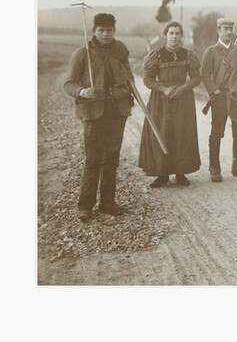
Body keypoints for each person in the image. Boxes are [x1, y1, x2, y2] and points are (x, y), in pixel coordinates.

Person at [63, 12, 134, 222]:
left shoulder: (120, 52)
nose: (105, 34)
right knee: (93, 160)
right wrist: (83, 92)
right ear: (94, 31)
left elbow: (129, 79)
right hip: (93, 114)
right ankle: (85, 206)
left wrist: (123, 90)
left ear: (114, 31)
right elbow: (69, 84)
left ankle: (107, 203)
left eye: (109, 30)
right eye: (101, 30)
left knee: (111, 159)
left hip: (116, 112)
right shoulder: (81, 54)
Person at [138, 21, 201, 188]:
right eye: (171, 33)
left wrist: (184, 87)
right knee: (162, 133)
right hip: (161, 101)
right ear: (165, 35)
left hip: (183, 100)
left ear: (181, 36)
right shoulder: (156, 55)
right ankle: (162, 174)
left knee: (181, 134)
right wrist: (163, 89)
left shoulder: (188, 55)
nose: (174, 36)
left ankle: (180, 172)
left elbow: (196, 78)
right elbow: (147, 79)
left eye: (177, 33)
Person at [200, 17, 237, 182]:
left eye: (231, 29)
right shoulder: (211, 51)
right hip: (220, 96)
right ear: (218, 30)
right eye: (225, 28)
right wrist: (214, 90)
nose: (229, 32)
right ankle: (214, 167)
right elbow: (204, 74)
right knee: (217, 132)